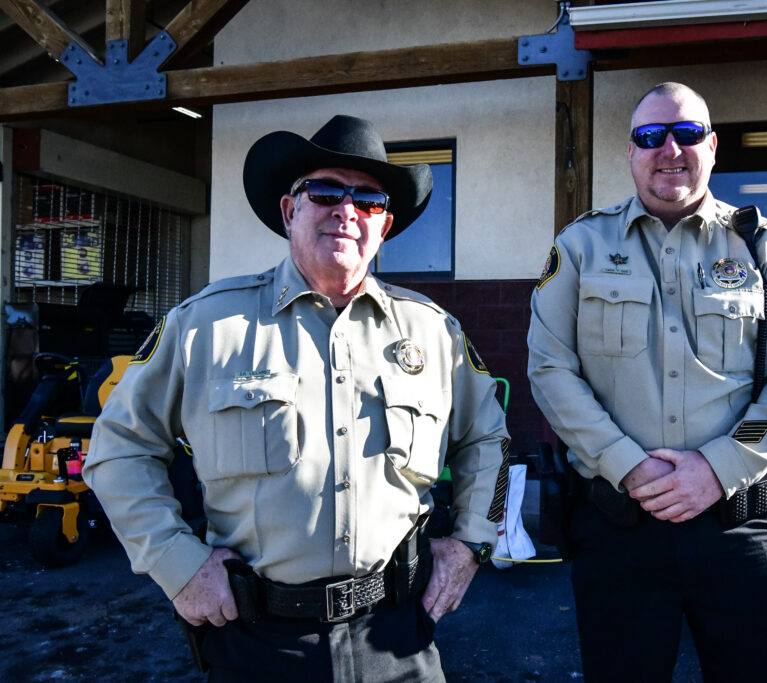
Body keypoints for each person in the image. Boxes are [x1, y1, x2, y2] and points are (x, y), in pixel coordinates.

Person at [84, 115, 510, 681]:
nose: (347, 211)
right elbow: (117, 450)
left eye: (369, 199)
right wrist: (177, 564)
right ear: (290, 212)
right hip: (258, 641)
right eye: (326, 191)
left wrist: (470, 545)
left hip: (398, 636)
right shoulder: (206, 324)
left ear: (384, 225)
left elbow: (492, 440)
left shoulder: (433, 332)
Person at [527, 82, 767, 683]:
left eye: (687, 134)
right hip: (621, 531)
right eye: (651, 136)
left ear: (712, 147)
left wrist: (720, 466)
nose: (670, 149)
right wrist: (628, 465)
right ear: (631, 153)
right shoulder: (581, 246)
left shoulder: (761, 245)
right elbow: (549, 367)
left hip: (742, 525)